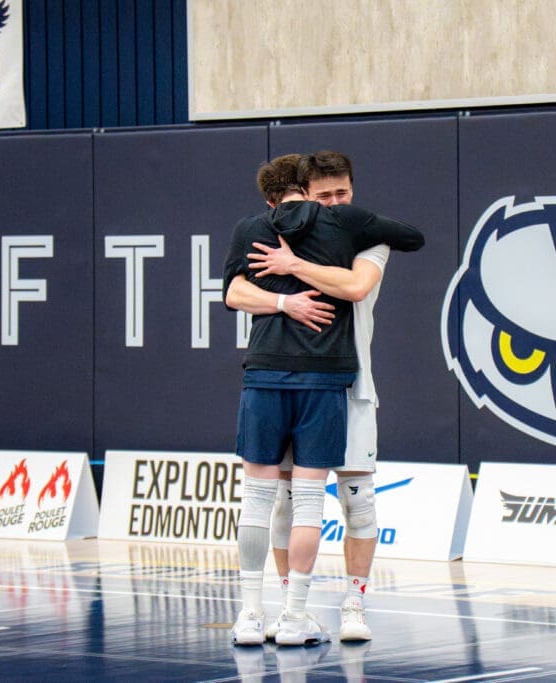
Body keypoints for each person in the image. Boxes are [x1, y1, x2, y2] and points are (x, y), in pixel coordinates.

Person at [223, 153, 423, 647]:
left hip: (350, 384)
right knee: (286, 504)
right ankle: (292, 608)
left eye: (342, 194)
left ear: (353, 191)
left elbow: (355, 287)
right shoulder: (278, 231)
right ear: (305, 195)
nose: (334, 203)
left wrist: (293, 266)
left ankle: (354, 602)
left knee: (359, 503)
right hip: (302, 378)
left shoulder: (365, 236)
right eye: (324, 196)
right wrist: (283, 298)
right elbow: (233, 291)